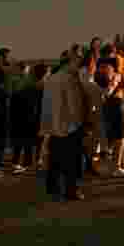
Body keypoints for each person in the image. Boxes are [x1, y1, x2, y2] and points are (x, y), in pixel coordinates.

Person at [41, 53, 86, 201]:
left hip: (54, 126)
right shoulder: (70, 79)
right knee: (72, 163)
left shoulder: (51, 78)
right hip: (69, 127)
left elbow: (46, 105)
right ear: (70, 63)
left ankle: (53, 191)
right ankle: (71, 191)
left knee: (54, 161)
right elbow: (74, 106)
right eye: (77, 64)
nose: (79, 67)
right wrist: (79, 123)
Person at [10, 64, 45, 174]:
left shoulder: (27, 87)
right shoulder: (41, 87)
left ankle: (22, 162)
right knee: (34, 141)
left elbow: (16, 99)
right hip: (36, 117)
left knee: (26, 141)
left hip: (27, 117)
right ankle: (32, 161)